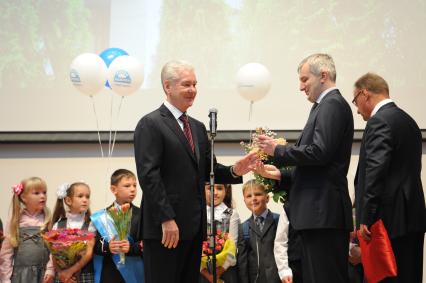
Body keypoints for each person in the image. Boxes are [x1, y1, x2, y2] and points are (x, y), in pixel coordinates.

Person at [134, 60, 256, 283]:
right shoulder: (150, 124)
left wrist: (237, 169)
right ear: (167, 86)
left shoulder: (198, 128)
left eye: (195, 84)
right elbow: (149, 176)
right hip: (165, 229)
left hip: (193, 228)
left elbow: (210, 171)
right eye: (186, 85)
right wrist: (166, 218)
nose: (192, 90)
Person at [256, 53, 354, 282]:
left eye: (304, 80)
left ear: (324, 75)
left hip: (324, 213)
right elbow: (318, 165)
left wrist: (277, 151)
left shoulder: (332, 104)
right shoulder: (323, 106)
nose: (301, 87)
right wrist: (281, 174)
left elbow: (319, 152)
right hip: (319, 214)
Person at [352, 73, 426, 282]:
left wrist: (366, 217)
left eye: (355, 101)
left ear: (364, 93)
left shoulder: (379, 121)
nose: (357, 109)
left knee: (384, 277)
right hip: (412, 216)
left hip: (388, 221)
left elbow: (376, 171)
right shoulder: (409, 121)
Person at [91, 169, 144, 283]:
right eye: (127, 185)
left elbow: (146, 244)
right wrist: (107, 247)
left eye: (135, 185)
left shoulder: (142, 215)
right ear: (113, 189)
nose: (133, 189)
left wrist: (131, 248)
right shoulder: (101, 217)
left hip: (135, 272)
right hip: (109, 272)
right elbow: (93, 245)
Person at [0, 177, 53, 283]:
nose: (42, 196)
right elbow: (6, 253)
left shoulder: (48, 219)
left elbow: (54, 250)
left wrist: (50, 270)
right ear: (24, 197)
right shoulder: (15, 220)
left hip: (44, 276)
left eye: (44, 192)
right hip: (20, 276)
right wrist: (5, 279)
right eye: (36, 193)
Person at [44, 182, 96, 283]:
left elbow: (89, 253)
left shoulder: (90, 224)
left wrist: (70, 271)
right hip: (62, 276)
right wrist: (61, 273)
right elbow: (54, 254)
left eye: (87, 196)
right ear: (68, 200)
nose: (85, 200)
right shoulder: (58, 225)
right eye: (80, 196)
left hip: (84, 275)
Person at [237, 180, 281, 283]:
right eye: (249, 196)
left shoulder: (280, 221)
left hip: (279, 278)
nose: (254, 199)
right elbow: (243, 262)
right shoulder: (243, 228)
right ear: (244, 201)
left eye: (258, 194)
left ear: (267, 198)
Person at [200, 183, 239, 283]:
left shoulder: (231, 214)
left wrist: (220, 271)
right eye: (210, 188)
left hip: (225, 271)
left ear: (226, 191)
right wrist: (204, 272)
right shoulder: (199, 213)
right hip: (200, 272)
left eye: (220, 188)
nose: (215, 192)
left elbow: (233, 246)